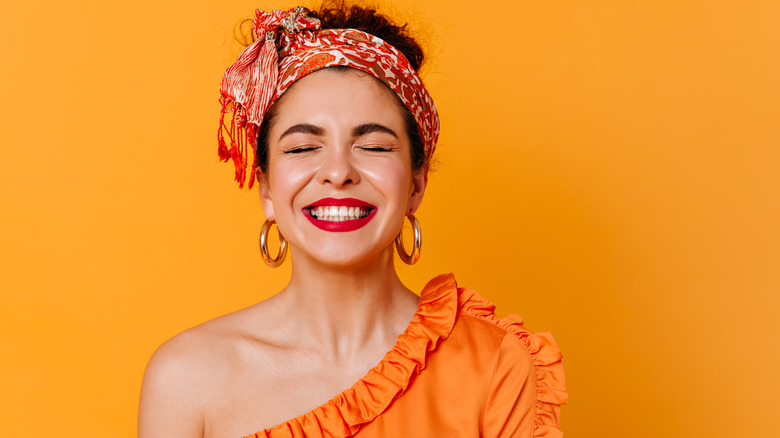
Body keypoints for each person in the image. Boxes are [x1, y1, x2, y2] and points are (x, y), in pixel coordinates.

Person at [138, 3, 567, 438]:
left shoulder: (494, 363)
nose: (338, 172)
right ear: (266, 188)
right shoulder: (186, 379)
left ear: (416, 184)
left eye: (375, 146)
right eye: (303, 147)